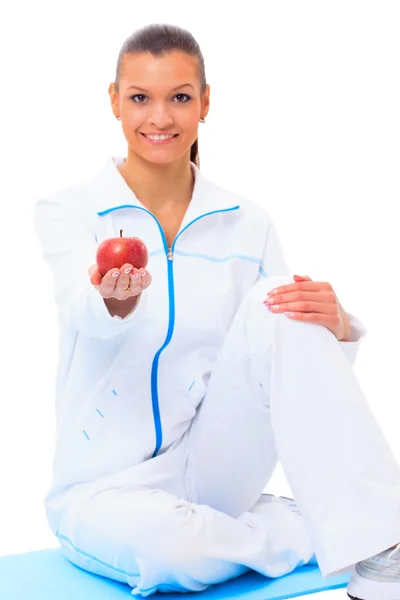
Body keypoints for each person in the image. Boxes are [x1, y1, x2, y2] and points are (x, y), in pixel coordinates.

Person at [34, 23, 400, 600]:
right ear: (113, 101)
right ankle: (322, 529)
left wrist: (337, 327)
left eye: (180, 97)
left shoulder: (247, 221)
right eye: (140, 98)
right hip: (102, 490)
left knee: (280, 301)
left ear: (205, 102)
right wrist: (115, 299)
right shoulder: (69, 210)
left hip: (211, 469)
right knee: (169, 553)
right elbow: (81, 307)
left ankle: (382, 540)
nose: (160, 117)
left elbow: (280, 363)